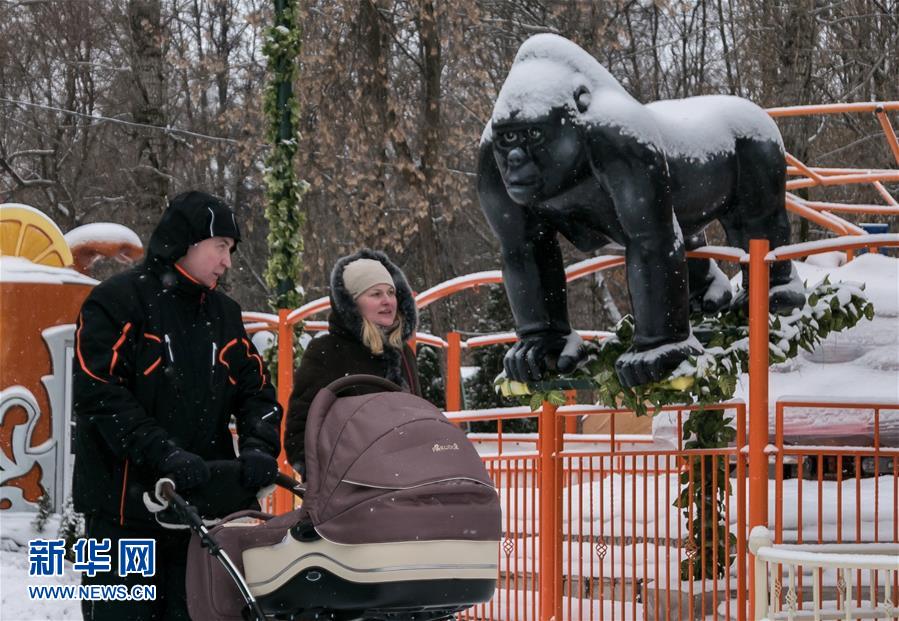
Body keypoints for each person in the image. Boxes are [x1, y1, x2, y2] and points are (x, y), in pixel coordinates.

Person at [72, 190, 282, 621]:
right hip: (123, 514)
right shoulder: (117, 302)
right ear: (187, 242)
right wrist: (162, 453)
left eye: (231, 250)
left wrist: (261, 447)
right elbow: (99, 392)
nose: (227, 261)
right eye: (221, 247)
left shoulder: (224, 314)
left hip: (204, 515)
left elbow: (257, 391)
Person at [284, 249, 421, 476]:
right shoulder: (327, 352)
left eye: (391, 292)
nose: (387, 301)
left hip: (407, 484)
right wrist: (330, 479)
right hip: (354, 489)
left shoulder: (403, 354)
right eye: (375, 294)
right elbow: (300, 431)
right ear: (354, 304)